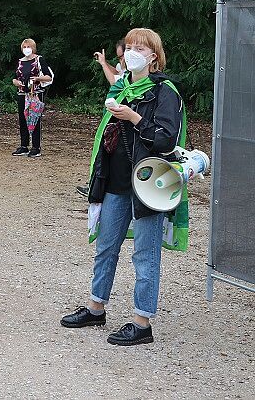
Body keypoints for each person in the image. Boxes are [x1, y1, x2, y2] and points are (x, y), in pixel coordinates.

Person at [61, 28, 187, 346]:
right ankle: (96, 307)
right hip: (116, 181)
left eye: (139, 48)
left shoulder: (165, 91)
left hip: (149, 183)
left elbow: (166, 138)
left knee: (145, 254)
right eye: (128, 46)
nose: (131, 52)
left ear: (153, 56)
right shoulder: (121, 86)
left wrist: (134, 118)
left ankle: (142, 323)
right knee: (106, 247)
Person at [78, 39, 128, 196]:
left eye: (121, 57)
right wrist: (105, 62)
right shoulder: (126, 70)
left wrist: (103, 64)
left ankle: (99, 186)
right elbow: (118, 73)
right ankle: (96, 183)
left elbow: (114, 81)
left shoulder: (133, 74)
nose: (120, 61)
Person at [11, 38, 55, 158]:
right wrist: (16, 82)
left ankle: (36, 147)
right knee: (23, 119)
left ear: (33, 48)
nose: (26, 49)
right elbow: (15, 77)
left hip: (35, 93)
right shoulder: (20, 61)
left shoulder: (39, 60)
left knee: (35, 118)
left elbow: (49, 77)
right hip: (22, 93)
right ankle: (24, 146)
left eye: (28, 47)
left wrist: (37, 79)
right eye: (24, 47)